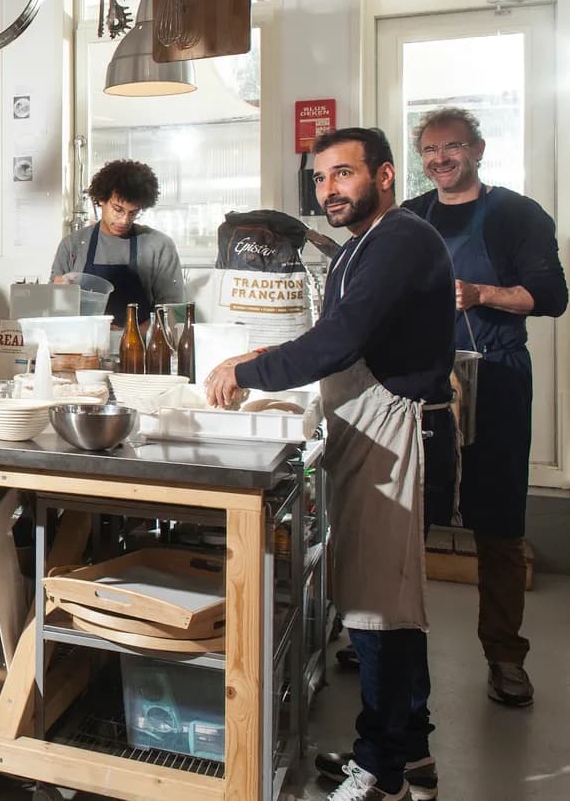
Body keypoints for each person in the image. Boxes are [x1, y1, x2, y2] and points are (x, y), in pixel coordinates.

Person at [204, 128, 454, 801]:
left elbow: (341, 341)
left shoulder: (401, 240)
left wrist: (250, 370)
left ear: (385, 174)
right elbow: (327, 338)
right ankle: (409, 749)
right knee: (394, 602)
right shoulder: (358, 249)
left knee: (378, 607)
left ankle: (383, 773)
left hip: (398, 430)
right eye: (319, 179)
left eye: (344, 174)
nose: (329, 190)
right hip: (367, 426)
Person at [401, 106, 566, 708]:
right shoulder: (412, 217)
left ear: (477, 149)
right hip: (423, 385)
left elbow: (551, 296)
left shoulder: (517, 215)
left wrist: (481, 294)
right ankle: (390, 639)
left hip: (496, 379)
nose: (441, 159)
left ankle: (504, 655)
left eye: (452, 148)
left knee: (498, 522)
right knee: (409, 515)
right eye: (430, 151)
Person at [51, 159, 184, 325]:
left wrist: (127, 337)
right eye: (118, 209)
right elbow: (54, 311)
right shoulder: (73, 245)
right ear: (101, 200)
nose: (124, 220)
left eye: (133, 213)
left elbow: (171, 312)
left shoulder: (159, 246)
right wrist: (58, 293)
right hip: (85, 345)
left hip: (141, 346)